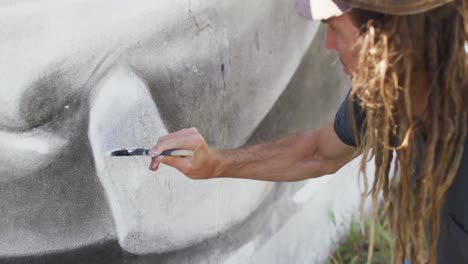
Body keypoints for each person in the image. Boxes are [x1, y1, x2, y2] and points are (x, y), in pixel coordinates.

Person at [149, 0, 467, 263]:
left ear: (386, 37)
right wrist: (216, 162)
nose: (328, 44)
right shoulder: (386, 87)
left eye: (335, 29)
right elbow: (317, 153)